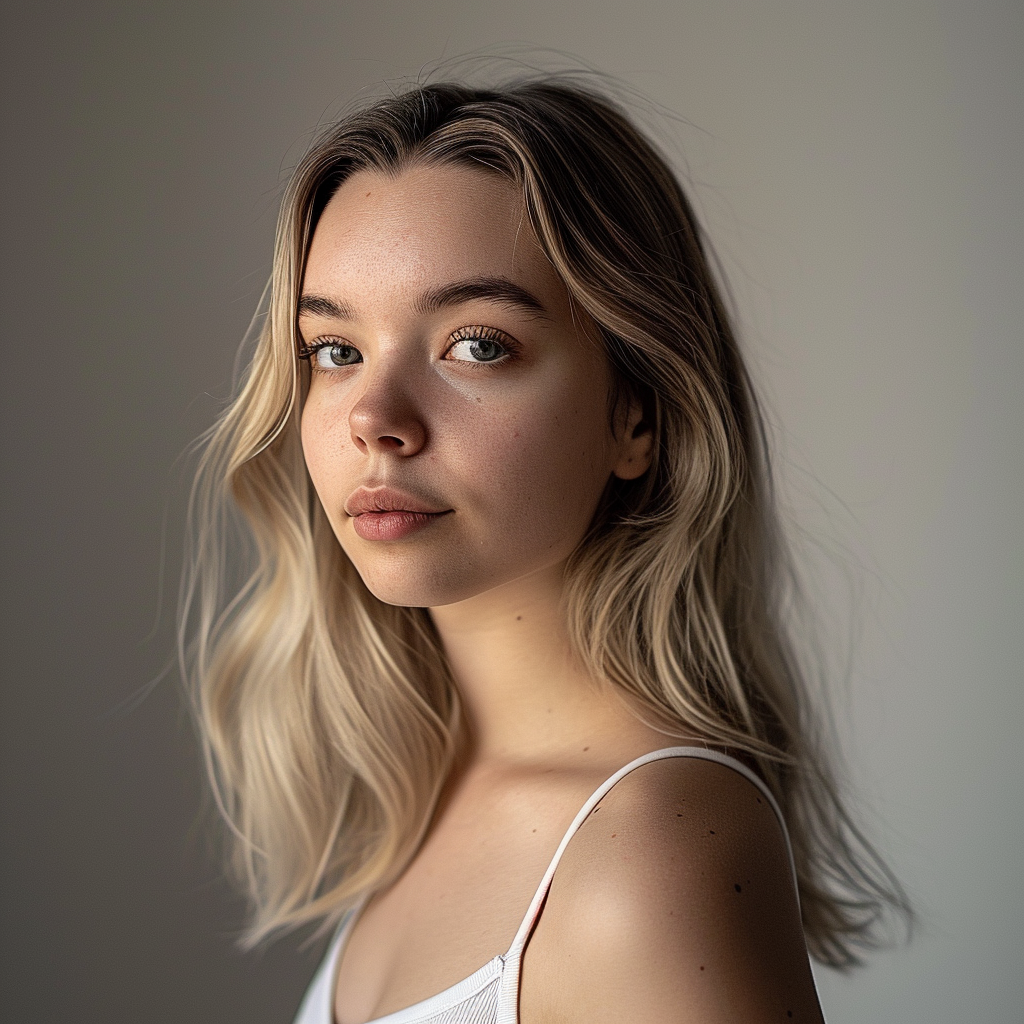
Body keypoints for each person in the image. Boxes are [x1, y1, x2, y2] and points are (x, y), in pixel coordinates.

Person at [180, 79, 908, 1024]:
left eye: (476, 345)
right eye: (334, 350)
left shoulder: (651, 853)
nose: (375, 420)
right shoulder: (422, 801)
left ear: (634, 416)